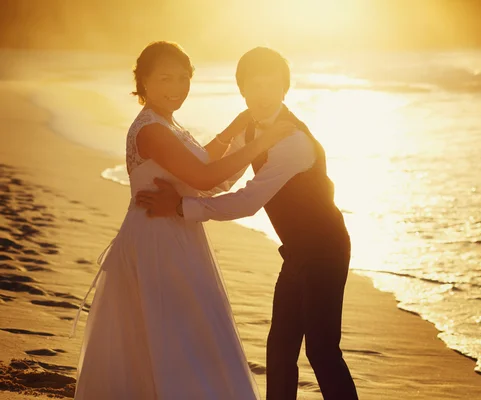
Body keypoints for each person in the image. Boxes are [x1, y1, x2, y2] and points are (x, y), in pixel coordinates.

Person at [73, 41, 294, 400]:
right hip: (158, 237)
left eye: (183, 78)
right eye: (165, 79)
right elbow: (204, 179)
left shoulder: (167, 122)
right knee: (173, 332)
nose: (177, 88)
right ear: (142, 81)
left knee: (184, 330)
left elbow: (200, 163)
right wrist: (262, 141)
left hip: (176, 231)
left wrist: (237, 126)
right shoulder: (150, 129)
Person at [136, 46, 359, 400]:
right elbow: (223, 180)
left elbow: (249, 200)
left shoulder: (294, 141)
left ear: (285, 89)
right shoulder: (252, 131)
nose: (263, 94)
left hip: (327, 250)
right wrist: (187, 194)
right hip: (298, 252)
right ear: (241, 89)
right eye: (254, 85)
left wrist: (181, 207)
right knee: (280, 348)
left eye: (272, 86)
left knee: (321, 350)